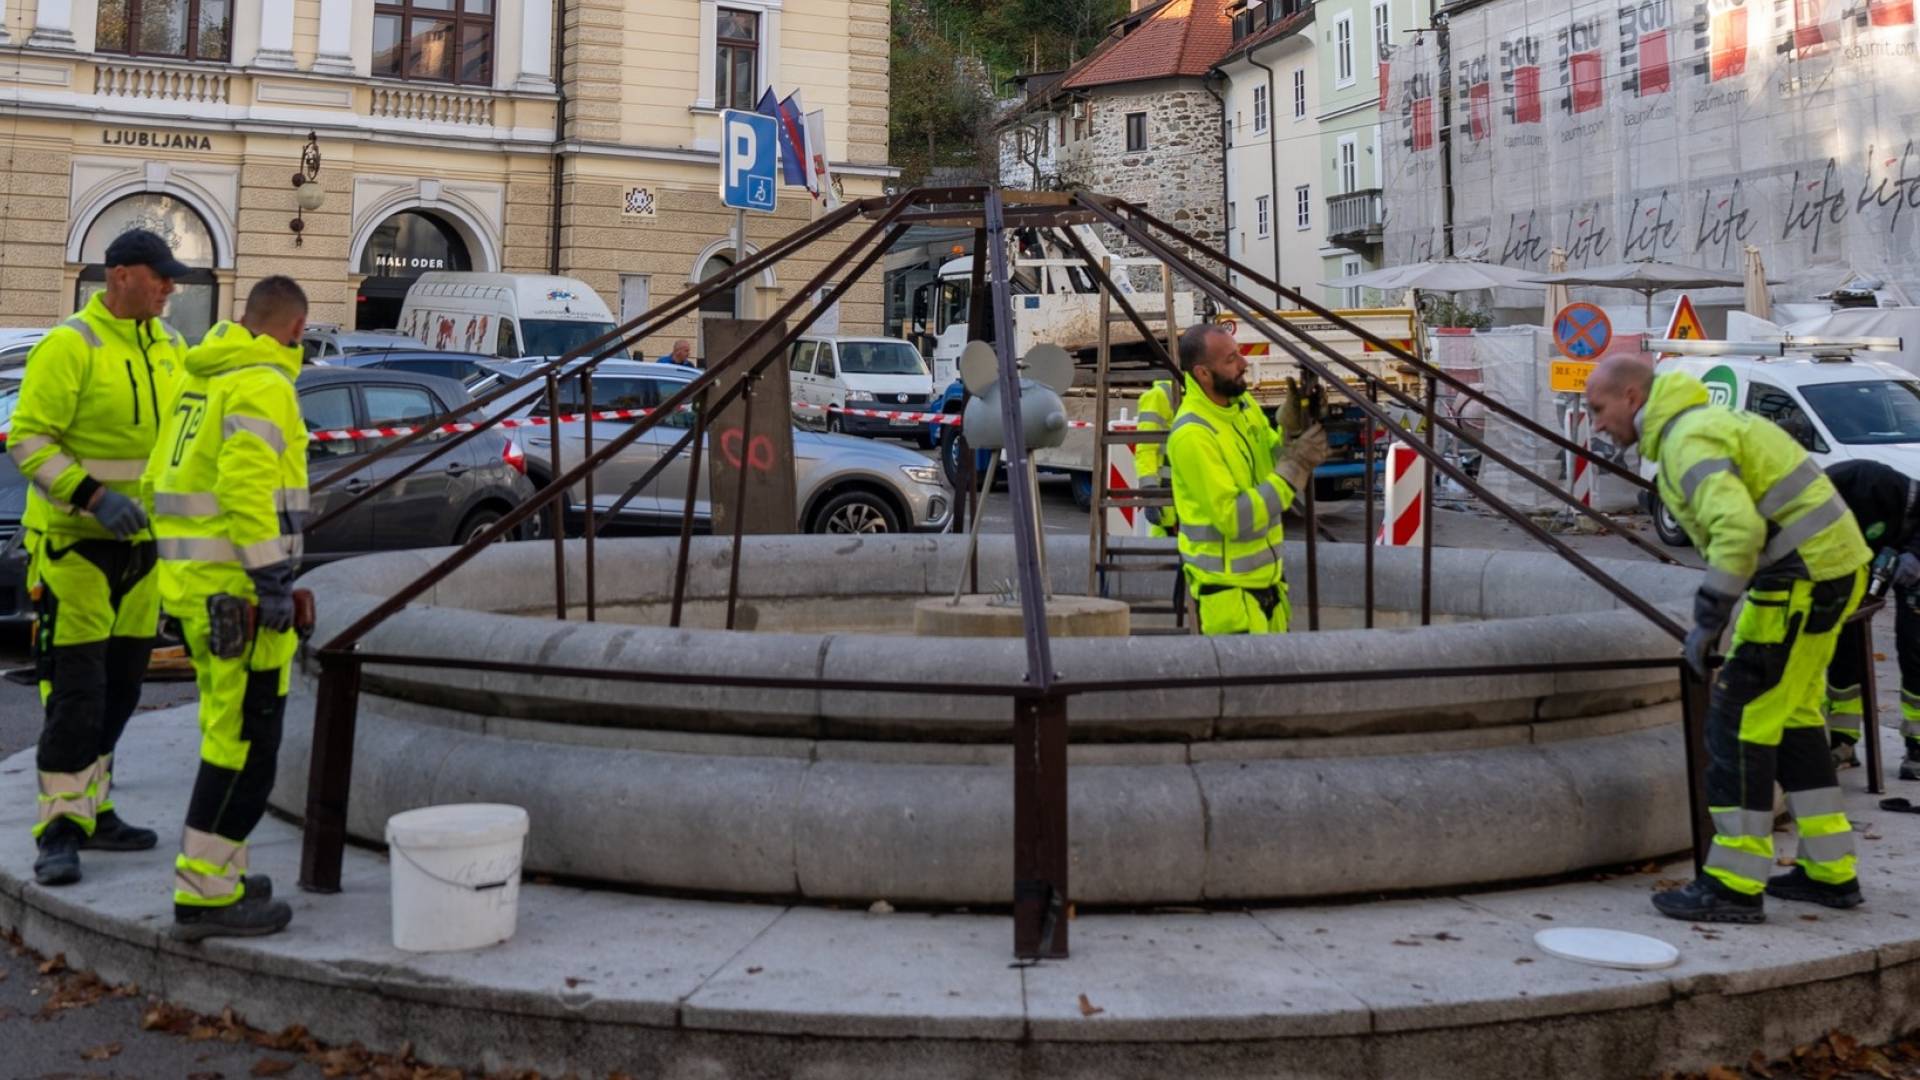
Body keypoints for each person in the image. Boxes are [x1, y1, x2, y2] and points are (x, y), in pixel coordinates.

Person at [1586, 355, 1871, 923]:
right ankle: (1830, 872)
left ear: (1633, 397)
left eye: (1598, 408)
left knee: (1736, 723)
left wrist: (1708, 618)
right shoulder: (1699, 425)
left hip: (1802, 579)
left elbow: (1736, 531)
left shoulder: (1688, 439)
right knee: (1789, 718)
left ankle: (1734, 887)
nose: (1594, 423)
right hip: (1826, 570)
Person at [7, 228, 189, 886]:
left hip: (144, 553)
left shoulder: (173, 346)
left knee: (121, 693)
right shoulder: (70, 345)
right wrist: (92, 497)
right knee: (79, 696)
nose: (171, 286)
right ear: (118, 276)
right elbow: (27, 440)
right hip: (74, 547)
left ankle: (95, 810)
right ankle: (58, 830)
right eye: (159, 274)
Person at [146, 276, 311, 940]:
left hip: (198, 590)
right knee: (246, 745)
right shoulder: (264, 383)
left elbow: (162, 478)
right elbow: (244, 487)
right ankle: (205, 894)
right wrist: (271, 580)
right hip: (242, 597)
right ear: (295, 329)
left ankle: (220, 874)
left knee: (228, 733)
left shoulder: (201, 379)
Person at [1165, 323, 1327, 635]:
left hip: (1268, 587)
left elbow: (1272, 459)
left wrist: (1292, 429)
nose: (1243, 364)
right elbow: (1234, 518)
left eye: (1238, 354)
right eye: (1230, 360)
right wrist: (1295, 468)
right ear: (1202, 374)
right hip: (1228, 600)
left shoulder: (1241, 406)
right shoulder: (1192, 434)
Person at [1821, 459, 1920, 780]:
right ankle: (1844, 742)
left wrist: (1915, 555)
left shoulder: (1895, 496)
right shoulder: (1827, 494)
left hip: (1910, 554)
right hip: (1860, 556)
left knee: (1916, 650)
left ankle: (1918, 746)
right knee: (1844, 648)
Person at [1133, 379, 1177, 538]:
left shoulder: (1202, 392)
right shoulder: (1160, 395)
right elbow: (1146, 448)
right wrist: (1150, 491)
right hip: (1169, 502)